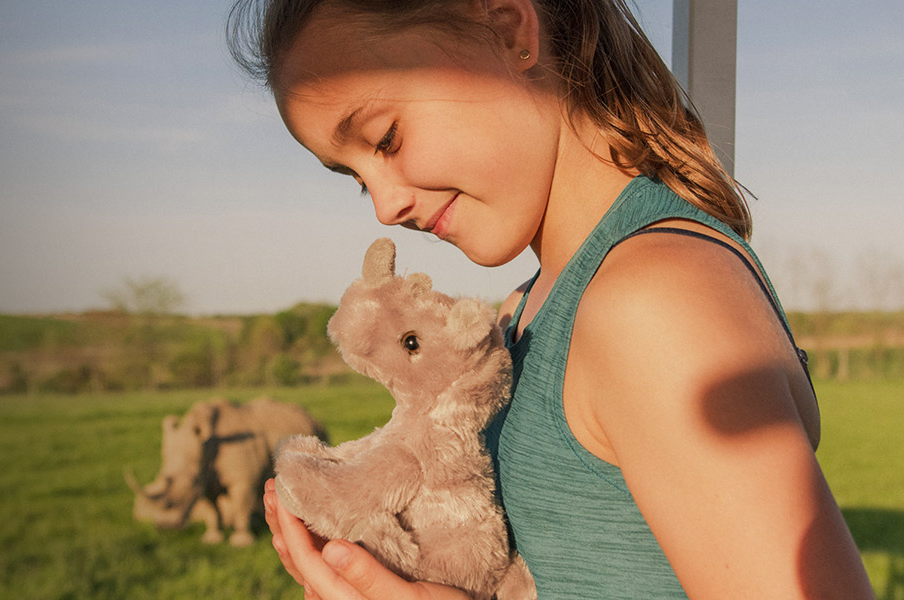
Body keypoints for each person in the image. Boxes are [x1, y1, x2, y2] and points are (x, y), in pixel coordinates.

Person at [226, 0, 876, 598]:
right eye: (355, 179)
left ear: (511, 30)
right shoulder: (522, 311)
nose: (386, 207)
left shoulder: (653, 301)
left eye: (387, 138)